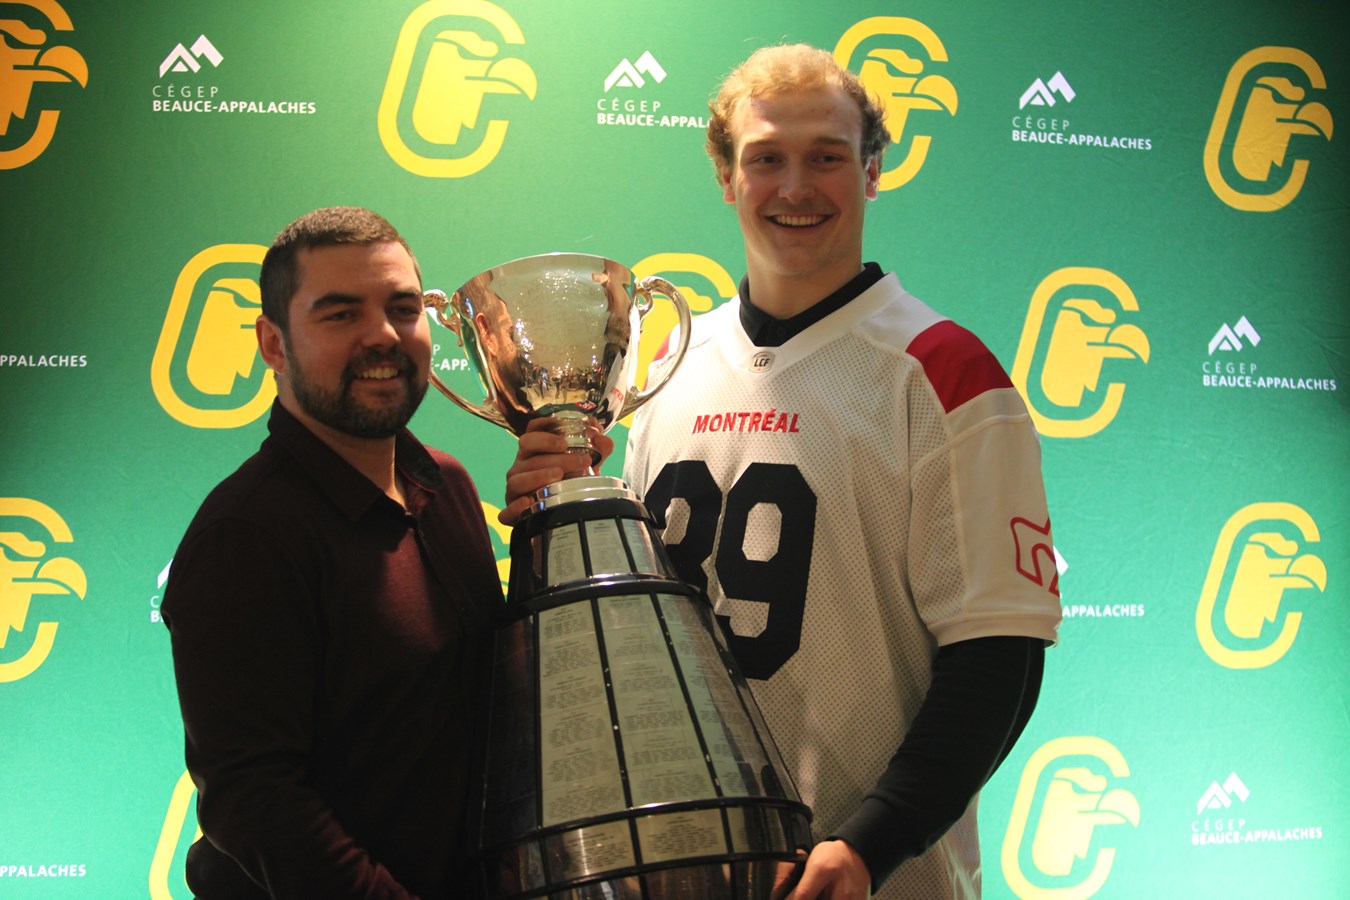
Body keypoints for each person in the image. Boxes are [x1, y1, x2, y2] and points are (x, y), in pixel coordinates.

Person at [501, 45, 1062, 899]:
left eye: (827, 157)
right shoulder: (666, 367)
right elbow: (631, 636)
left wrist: (871, 845)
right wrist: (556, 513)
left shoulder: (943, 371)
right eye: (766, 159)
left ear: (872, 171)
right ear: (727, 178)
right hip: (684, 871)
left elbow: (999, 655)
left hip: (874, 877)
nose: (796, 188)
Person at [162, 207, 502, 899]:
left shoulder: (449, 485)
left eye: (402, 309)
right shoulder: (245, 536)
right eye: (341, 314)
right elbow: (256, 801)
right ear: (273, 343)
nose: (383, 336)